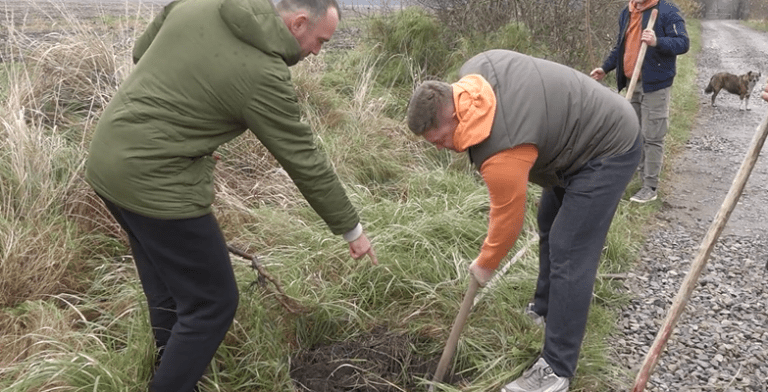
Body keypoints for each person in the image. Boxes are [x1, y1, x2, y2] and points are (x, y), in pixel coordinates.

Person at [85, 0, 378, 390]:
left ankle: (172, 371)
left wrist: (184, 118)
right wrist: (351, 230)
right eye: (320, 41)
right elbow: (305, 160)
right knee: (212, 303)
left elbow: (143, 51)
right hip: (157, 183)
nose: (316, 52)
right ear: (299, 23)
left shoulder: (201, 4)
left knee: (171, 291)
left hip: (107, 159)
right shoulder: (263, 74)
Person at [407, 49, 642, 392]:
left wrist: (485, 264)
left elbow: (507, 223)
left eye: (440, 140)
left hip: (608, 145)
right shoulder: (475, 72)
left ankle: (556, 369)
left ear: (455, 114)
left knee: (569, 248)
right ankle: (545, 309)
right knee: (549, 222)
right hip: (573, 139)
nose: (442, 148)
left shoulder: (501, 152)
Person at [590, 0, 689, 203]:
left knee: (652, 136)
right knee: (632, 134)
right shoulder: (627, 12)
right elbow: (621, 47)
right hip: (631, 83)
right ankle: (633, 175)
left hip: (656, 85)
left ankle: (650, 186)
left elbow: (683, 43)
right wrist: (605, 68)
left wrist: (657, 41)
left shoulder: (667, 11)